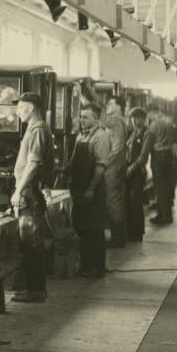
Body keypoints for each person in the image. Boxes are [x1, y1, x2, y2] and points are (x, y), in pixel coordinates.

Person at [8, 91, 54, 303]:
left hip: (29, 192)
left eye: (20, 108)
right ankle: (33, 288)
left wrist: (19, 189)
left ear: (31, 108)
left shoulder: (37, 129)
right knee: (29, 241)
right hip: (29, 190)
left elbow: (33, 163)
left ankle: (36, 290)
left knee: (31, 242)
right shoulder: (35, 129)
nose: (17, 112)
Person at [68, 102, 111, 277]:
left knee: (95, 228)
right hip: (79, 188)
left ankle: (96, 267)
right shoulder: (81, 136)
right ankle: (86, 265)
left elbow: (101, 166)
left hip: (93, 189)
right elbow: (73, 161)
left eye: (86, 117)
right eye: (81, 116)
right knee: (82, 227)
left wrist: (91, 189)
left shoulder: (100, 137)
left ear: (96, 119)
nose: (82, 120)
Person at [141, 108, 177, 225]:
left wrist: (142, 158)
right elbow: (174, 143)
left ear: (153, 112)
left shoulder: (154, 125)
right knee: (167, 187)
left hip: (158, 156)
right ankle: (167, 214)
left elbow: (148, 143)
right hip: (168, 156)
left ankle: (163, 216)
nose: (149, 117)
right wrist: (175, 159)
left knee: (160, 187)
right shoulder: (169, 123)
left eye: (150, 114)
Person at [101, 95, 129, 247]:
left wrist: (87, 95)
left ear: (118, 106)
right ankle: (120, 236)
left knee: (113, 202)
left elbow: (101, 116)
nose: (107, 106)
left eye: (110, 104)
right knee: (117, 201)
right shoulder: (121, 122)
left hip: (112, 167)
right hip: (118, 166)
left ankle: (118, 238)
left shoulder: (116, 122)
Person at [124, 106, 149, 242]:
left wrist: (131, 168)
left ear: (141, 119)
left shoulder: (145, 134)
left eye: (135, 118)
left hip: (137, 171)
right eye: (132, 118)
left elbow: (143, 156)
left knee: (136, 202)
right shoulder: (133, 133)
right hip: (129, 170)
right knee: (129, 200)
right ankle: (130, 229)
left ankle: (137, 232)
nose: (133, 120)